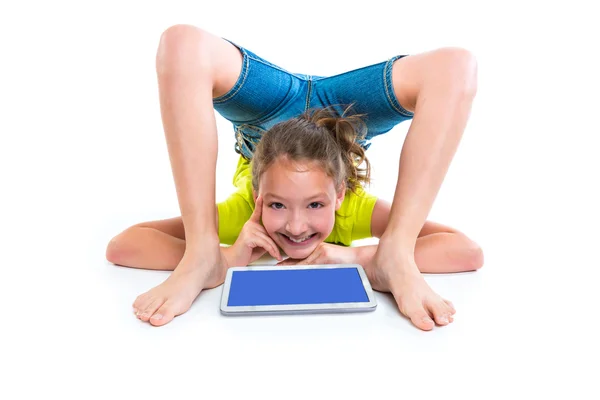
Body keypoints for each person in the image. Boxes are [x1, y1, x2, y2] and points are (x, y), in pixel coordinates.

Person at [106, 24, 480, 331]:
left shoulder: (349, 209)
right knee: (180, 41)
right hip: (302, 118)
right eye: (278, 204)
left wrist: (365, 256)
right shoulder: (249, 217)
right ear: (259, 197)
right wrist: (223, 255)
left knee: (457, 65)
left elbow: (468, 252)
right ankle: (200, 258)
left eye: (315, 204)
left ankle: (396, 258)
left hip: (303, 117)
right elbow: (123, 245)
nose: (296, 225)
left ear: (338, 194)